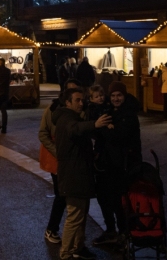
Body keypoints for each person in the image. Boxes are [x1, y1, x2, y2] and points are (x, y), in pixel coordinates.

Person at [53, 87, 112, 260]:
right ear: (67, 102)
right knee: (75, 215)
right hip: (73, 174)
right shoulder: (66, 119)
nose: (81, 103)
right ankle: (66, 253)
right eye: (77, 100)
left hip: (78, 172)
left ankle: (78, 247)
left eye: (82, 100)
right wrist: (95, 124)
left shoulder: (69, 117)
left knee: (80, 214)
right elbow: (75, 129)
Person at [94, 81, 142, 247]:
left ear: (124, 96)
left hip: (123, 165)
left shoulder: (129, 115)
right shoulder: (109, 110)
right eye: (113, 95)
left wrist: (102, 127)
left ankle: (123, 231)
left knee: (118, 200)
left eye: (119, 95)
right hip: (107, 162)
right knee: (103, 197)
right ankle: (110, 230)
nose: (116, 99)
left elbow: (116, 137)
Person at [39, 78, 82, 245]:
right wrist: (58, 152)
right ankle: (52, 228)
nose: (75, 97)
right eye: (70, 92)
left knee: (69, 195)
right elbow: (43, 133)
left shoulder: (79, 109)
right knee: (61, 195)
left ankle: (74, 237)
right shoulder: (52, 110)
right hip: (57, 160)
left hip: (72, 159)